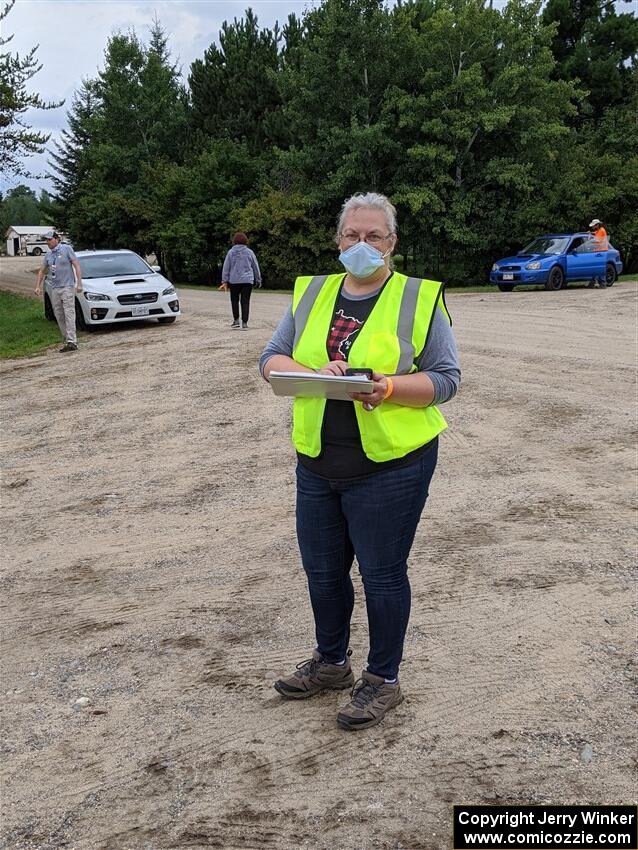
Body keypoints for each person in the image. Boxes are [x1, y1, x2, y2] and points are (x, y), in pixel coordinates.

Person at [259, 192, 460, 730]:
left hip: (393, 464)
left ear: (392, 244)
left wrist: (389, 386)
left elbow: (445, 379)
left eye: (375, 237)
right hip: (319, 461)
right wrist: (308, 371)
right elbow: (270, 358)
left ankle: (382, 680)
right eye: (353, 235)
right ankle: (331, 665)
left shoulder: (418, 297)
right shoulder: (312, 293)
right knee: (323, 572)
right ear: (338, 240)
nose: (362, 245)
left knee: (382, 574)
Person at [34, 231, 83, 352]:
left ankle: (72, 341)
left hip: (67, 286)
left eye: (50, 239)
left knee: (69, 312)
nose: (48, 242)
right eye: (47, 240)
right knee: (58, 314)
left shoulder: (66, 249)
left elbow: (76, 264)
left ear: (56, 239)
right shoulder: (48, 255)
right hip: (55, 288)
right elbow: (42, 270)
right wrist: (37, 286)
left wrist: (79, 283)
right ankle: (67, 339)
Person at [221, 232, 262, 329]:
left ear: (235, 241)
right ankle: (244, 323)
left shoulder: (230, 252)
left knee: (234, 300)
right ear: (245, 241)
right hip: (247, 280)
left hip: (234, 280)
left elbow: (226, 267)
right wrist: (258, 279)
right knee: (245, 301)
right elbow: (255, 266)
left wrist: (224, 280)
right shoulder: (249, 252)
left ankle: (236, 321)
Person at [586, 218, 609, 288]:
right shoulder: (599, 230)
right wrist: (591, 233)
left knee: (600, 267)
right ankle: (593, 282)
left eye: (593, 226)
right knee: (595, 266)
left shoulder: (601, 230)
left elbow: (597, 241)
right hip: (599, 251)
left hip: (601, 251)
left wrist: (590, 240)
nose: (592, 227)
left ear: (597, 225)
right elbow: (596, 233)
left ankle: (602, 283)